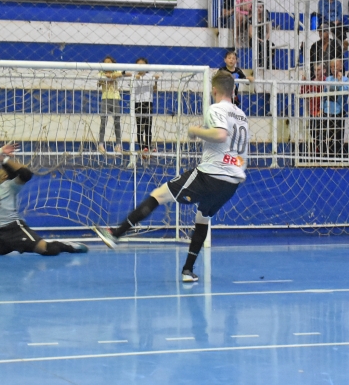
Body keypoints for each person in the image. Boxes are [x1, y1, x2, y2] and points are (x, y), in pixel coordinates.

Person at [93, 71, 249, 283]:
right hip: (232, 183)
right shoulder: (242, 116)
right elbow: (239, 153)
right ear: (233, 90)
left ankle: (116, 234)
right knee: (203, 217)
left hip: (210, 175)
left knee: (158, 195)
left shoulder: (216, 108)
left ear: (214, 90)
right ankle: (188, 270)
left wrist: (195, 131)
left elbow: (220, 134)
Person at [131, 57, 159, 160]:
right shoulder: (134, 76)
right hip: (138, 103)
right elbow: (131, 89)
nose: (140, 66)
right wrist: (135, 78)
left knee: (148, 127)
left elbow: (155, 90)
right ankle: (142, 148)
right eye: (138, 64)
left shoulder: (150, 76)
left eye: (142, 64)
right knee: (140, 127)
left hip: (148, 103)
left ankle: (148, 146)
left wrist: (156, 81)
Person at [323, 59, 349, 158]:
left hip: (339, 110)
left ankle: (338, 156)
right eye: (331, 67)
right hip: (327, 109)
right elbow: (324, 94)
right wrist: (322, 107)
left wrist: (339, 81)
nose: (333, 69)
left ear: (340, 67)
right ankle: (327, 156)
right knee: (327, 135)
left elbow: (346, 92)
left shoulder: (345, 80)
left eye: (335, 66)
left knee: (338, 135)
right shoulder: (328, 79)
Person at [98, 56, 123, 154]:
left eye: (109, 62)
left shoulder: (117, 70)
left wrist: (111, 76)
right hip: (105, 98)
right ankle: (100, 144)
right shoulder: (101, 73)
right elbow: (99, 82)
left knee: (117, 122)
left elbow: (120, 74)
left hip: (115, 98)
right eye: (105, 62)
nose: (107, 64)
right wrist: (109, 77)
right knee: (103, 121)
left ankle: (118, 145)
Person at [302, 62, 328, 157]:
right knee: (314, 134)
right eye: (315, 70)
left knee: (324, 135)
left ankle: (324, 154)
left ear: (324, 70)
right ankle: (318, 155)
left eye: (319, 70)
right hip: (313, 112)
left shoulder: (327, 82)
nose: (316, 72)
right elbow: (304, 95)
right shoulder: (311, 83)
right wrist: (303, 84)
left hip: (325, 112)